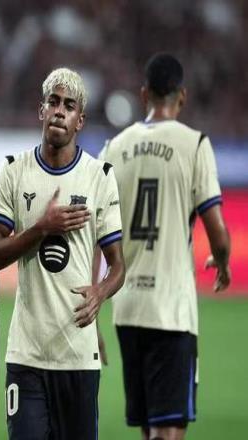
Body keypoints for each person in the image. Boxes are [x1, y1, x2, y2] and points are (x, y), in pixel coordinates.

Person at [0, 67, 125, 440]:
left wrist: (100, 292)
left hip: (78, 356)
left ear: (80, 120)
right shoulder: (13, 171)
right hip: (27, 355)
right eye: (54, 102)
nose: (60, 111)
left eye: (69, 106)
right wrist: (42, 228)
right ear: (41, 110)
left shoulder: (99, 176)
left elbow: (118, 265)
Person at [99, 53, 231, 440]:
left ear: (144, 95)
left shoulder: (114, 148)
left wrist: (95, 302)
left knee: (148, 428)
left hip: (127, 309)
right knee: (168, 430)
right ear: (182, 96)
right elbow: (217, 231)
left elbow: (96, 232)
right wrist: (222, 262)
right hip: (170, 310)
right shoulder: (194, 144)